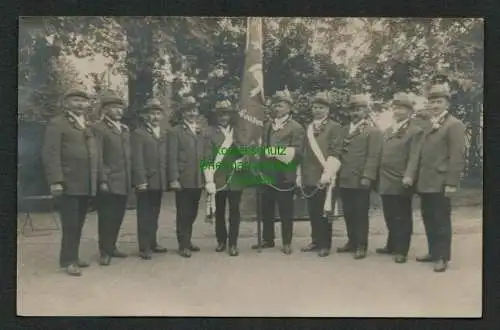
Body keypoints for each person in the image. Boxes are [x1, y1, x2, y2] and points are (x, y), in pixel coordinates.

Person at [42, 88, 100, 276]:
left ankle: (73, 256)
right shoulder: (57, 124)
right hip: (67, 183)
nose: (80, 104)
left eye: (83, 101)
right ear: (66, 103)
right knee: (70, 224)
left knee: (79, 222)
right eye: (75, 100)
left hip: (84, 183)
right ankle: (68, 261)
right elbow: (51, 153)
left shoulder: (87, 125)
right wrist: (56, 181)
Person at [415, 84, 466, 272]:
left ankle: (443, 257)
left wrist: (451, 182)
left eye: (439, 101)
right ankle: (433, 252)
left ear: (447, 104)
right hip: (426, 181)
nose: (434, 105)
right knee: (428, 217)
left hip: (441, 181)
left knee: (441, 219)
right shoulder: (428, 124)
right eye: (432, 101)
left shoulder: (454, 124)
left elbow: (457, 156)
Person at [252, 90, 305, 255]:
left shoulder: (296, 127)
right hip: (267, 173)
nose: (277, 108)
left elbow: (298, 152)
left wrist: (275, 151)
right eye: (275, 105)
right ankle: (268, 239)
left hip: (285, 174)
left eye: (281, 105)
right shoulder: (267, 125)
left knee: (285, 210)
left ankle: (287, 241)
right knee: (266, 208)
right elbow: (261, 149)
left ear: (289, 107)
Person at [376, 92, 425, 263]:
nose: (397, 111)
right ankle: (391, 245)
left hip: (401, 179)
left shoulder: (415, 130)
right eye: (395, 108)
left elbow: (414, 155)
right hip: (385, 179)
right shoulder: (389, 130)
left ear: (410, 111)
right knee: (389, 214)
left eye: (402, 108)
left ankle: (401, 250)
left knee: (401, 216)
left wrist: (409, 175)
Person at [337, 94, 383, 260]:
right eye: (353, 110)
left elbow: (373, 156)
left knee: (360, 213)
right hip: (344, 178)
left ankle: (362, 245)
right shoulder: (343, 130)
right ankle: (352, 241)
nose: (356, 113)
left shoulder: (373, 132)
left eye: (360, 109)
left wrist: (368, 176)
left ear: (366, 111)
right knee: (348, 212)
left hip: (360, 179)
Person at [297, 91, 343, 257]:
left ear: (328, 110)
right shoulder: (308, 128)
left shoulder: (335, 127)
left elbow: (336, 151)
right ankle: (316, 241)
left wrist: (326, 175)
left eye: (321, 107)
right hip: (309, 176)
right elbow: (303, 153)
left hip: (326, 175)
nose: (317, 110)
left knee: (325, 212)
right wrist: (300, 174)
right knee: (313, 212)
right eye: (315, 107)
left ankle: (325, 244)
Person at [92, 92, 131, 266]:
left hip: (123, 180)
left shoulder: (124, 129)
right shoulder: (98, 128)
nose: (118, 111)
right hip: (108, 180)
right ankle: (104, 251)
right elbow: (98, 156)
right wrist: (102, 180)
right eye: (114, 108)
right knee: (106, 217)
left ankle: (112, 246)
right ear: (105, 109)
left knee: (118, 216)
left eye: (120, 108)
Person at [203, 99, 246, 256]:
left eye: (226, 114)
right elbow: (207, 157)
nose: (223, 117)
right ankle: (221, 240)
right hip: (218, 178)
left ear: (231, 115)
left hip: (236, 178)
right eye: (220, 114)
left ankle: (233, 243)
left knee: (235, 212)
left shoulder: (239, 131)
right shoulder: (209, 133)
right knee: (219, 211)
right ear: (216, 116)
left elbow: (248, 151)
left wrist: (243, 161)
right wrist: (209, 179)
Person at [130, 98, 169, 260]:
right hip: (145, 180)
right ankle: (144, 246)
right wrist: (140, 180)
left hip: (158, 180)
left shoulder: (163, 132)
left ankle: (153, 242)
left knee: (154, 213)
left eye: (158, 113)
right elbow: (137, 158)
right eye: (152, 113)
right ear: (146, 115)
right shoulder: (139, 133)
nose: (155, 116)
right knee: (144, 215)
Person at [168, 96, 206, 258]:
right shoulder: (175, 131)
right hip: (183, 178)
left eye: (194, 110)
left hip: (198, 178)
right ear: (183, 113)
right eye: (188, 110)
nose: (192, 113)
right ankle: (182, 245)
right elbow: (172, 156)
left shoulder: (200, 130)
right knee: (183, 212)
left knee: (193, 212)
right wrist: (174, 178)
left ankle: (188, 240)